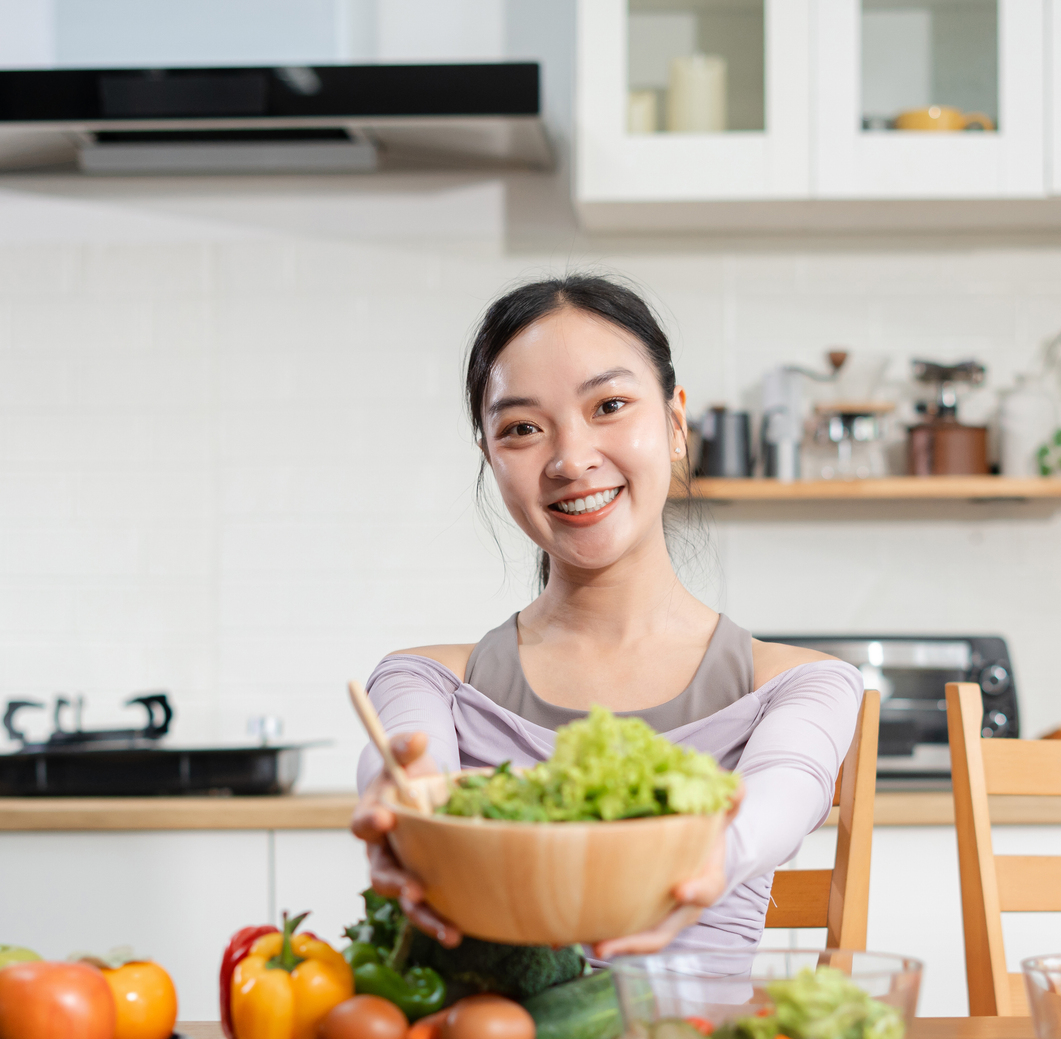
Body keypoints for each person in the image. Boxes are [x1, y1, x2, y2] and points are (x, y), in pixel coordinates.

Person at [352, 275, 863, 958]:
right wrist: (400, 816)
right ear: (491, 459)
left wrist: (708, 861)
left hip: (696, 1032)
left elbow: (785, 792)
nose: (570, 460)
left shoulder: (801, 684)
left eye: (610, 405)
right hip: (490, 1033)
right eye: (522, 428)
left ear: (675, 425)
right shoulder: (426, 681)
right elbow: (404, 768)